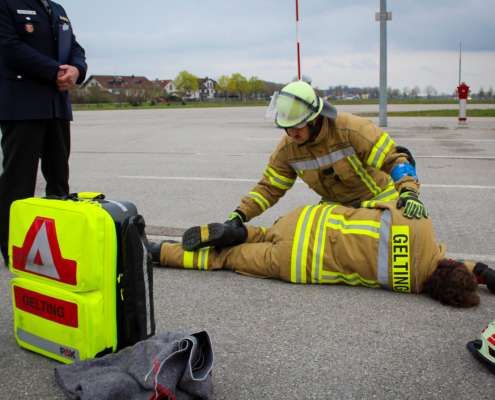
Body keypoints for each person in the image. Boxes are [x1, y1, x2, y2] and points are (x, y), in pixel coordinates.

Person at [190, 80, 427, 251]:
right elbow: (269, 188)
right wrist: (238, 215)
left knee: (382, 251)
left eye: (297, 126)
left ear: (314, 119)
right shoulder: (288, 150)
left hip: (379, 203)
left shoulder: (351, 129)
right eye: (286, 128)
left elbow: (394, 159)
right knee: (302, 242)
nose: (292, 133)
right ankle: (238, 234)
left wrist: (408, 192)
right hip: (337, 211)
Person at [150, 201, 495, 308]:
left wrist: (485, 272)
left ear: (452, 263)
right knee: (225, 259)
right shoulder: (413, 286)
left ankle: (241, 230)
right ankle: (159, 252)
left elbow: (369, 202)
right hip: (298, 264)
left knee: (267, 231)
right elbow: (437, 270)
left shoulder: (421, 225)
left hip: (307, 221)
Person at [0, 0, 87, 265]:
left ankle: (56, 247)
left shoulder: (57, 9)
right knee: (18, 182)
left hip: (57, 106)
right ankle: (14, 249)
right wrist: (55, 71)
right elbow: (9, 47)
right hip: (22, 107)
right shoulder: (7, 4)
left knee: (59, 181)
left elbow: (74, 47)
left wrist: (77, 69)